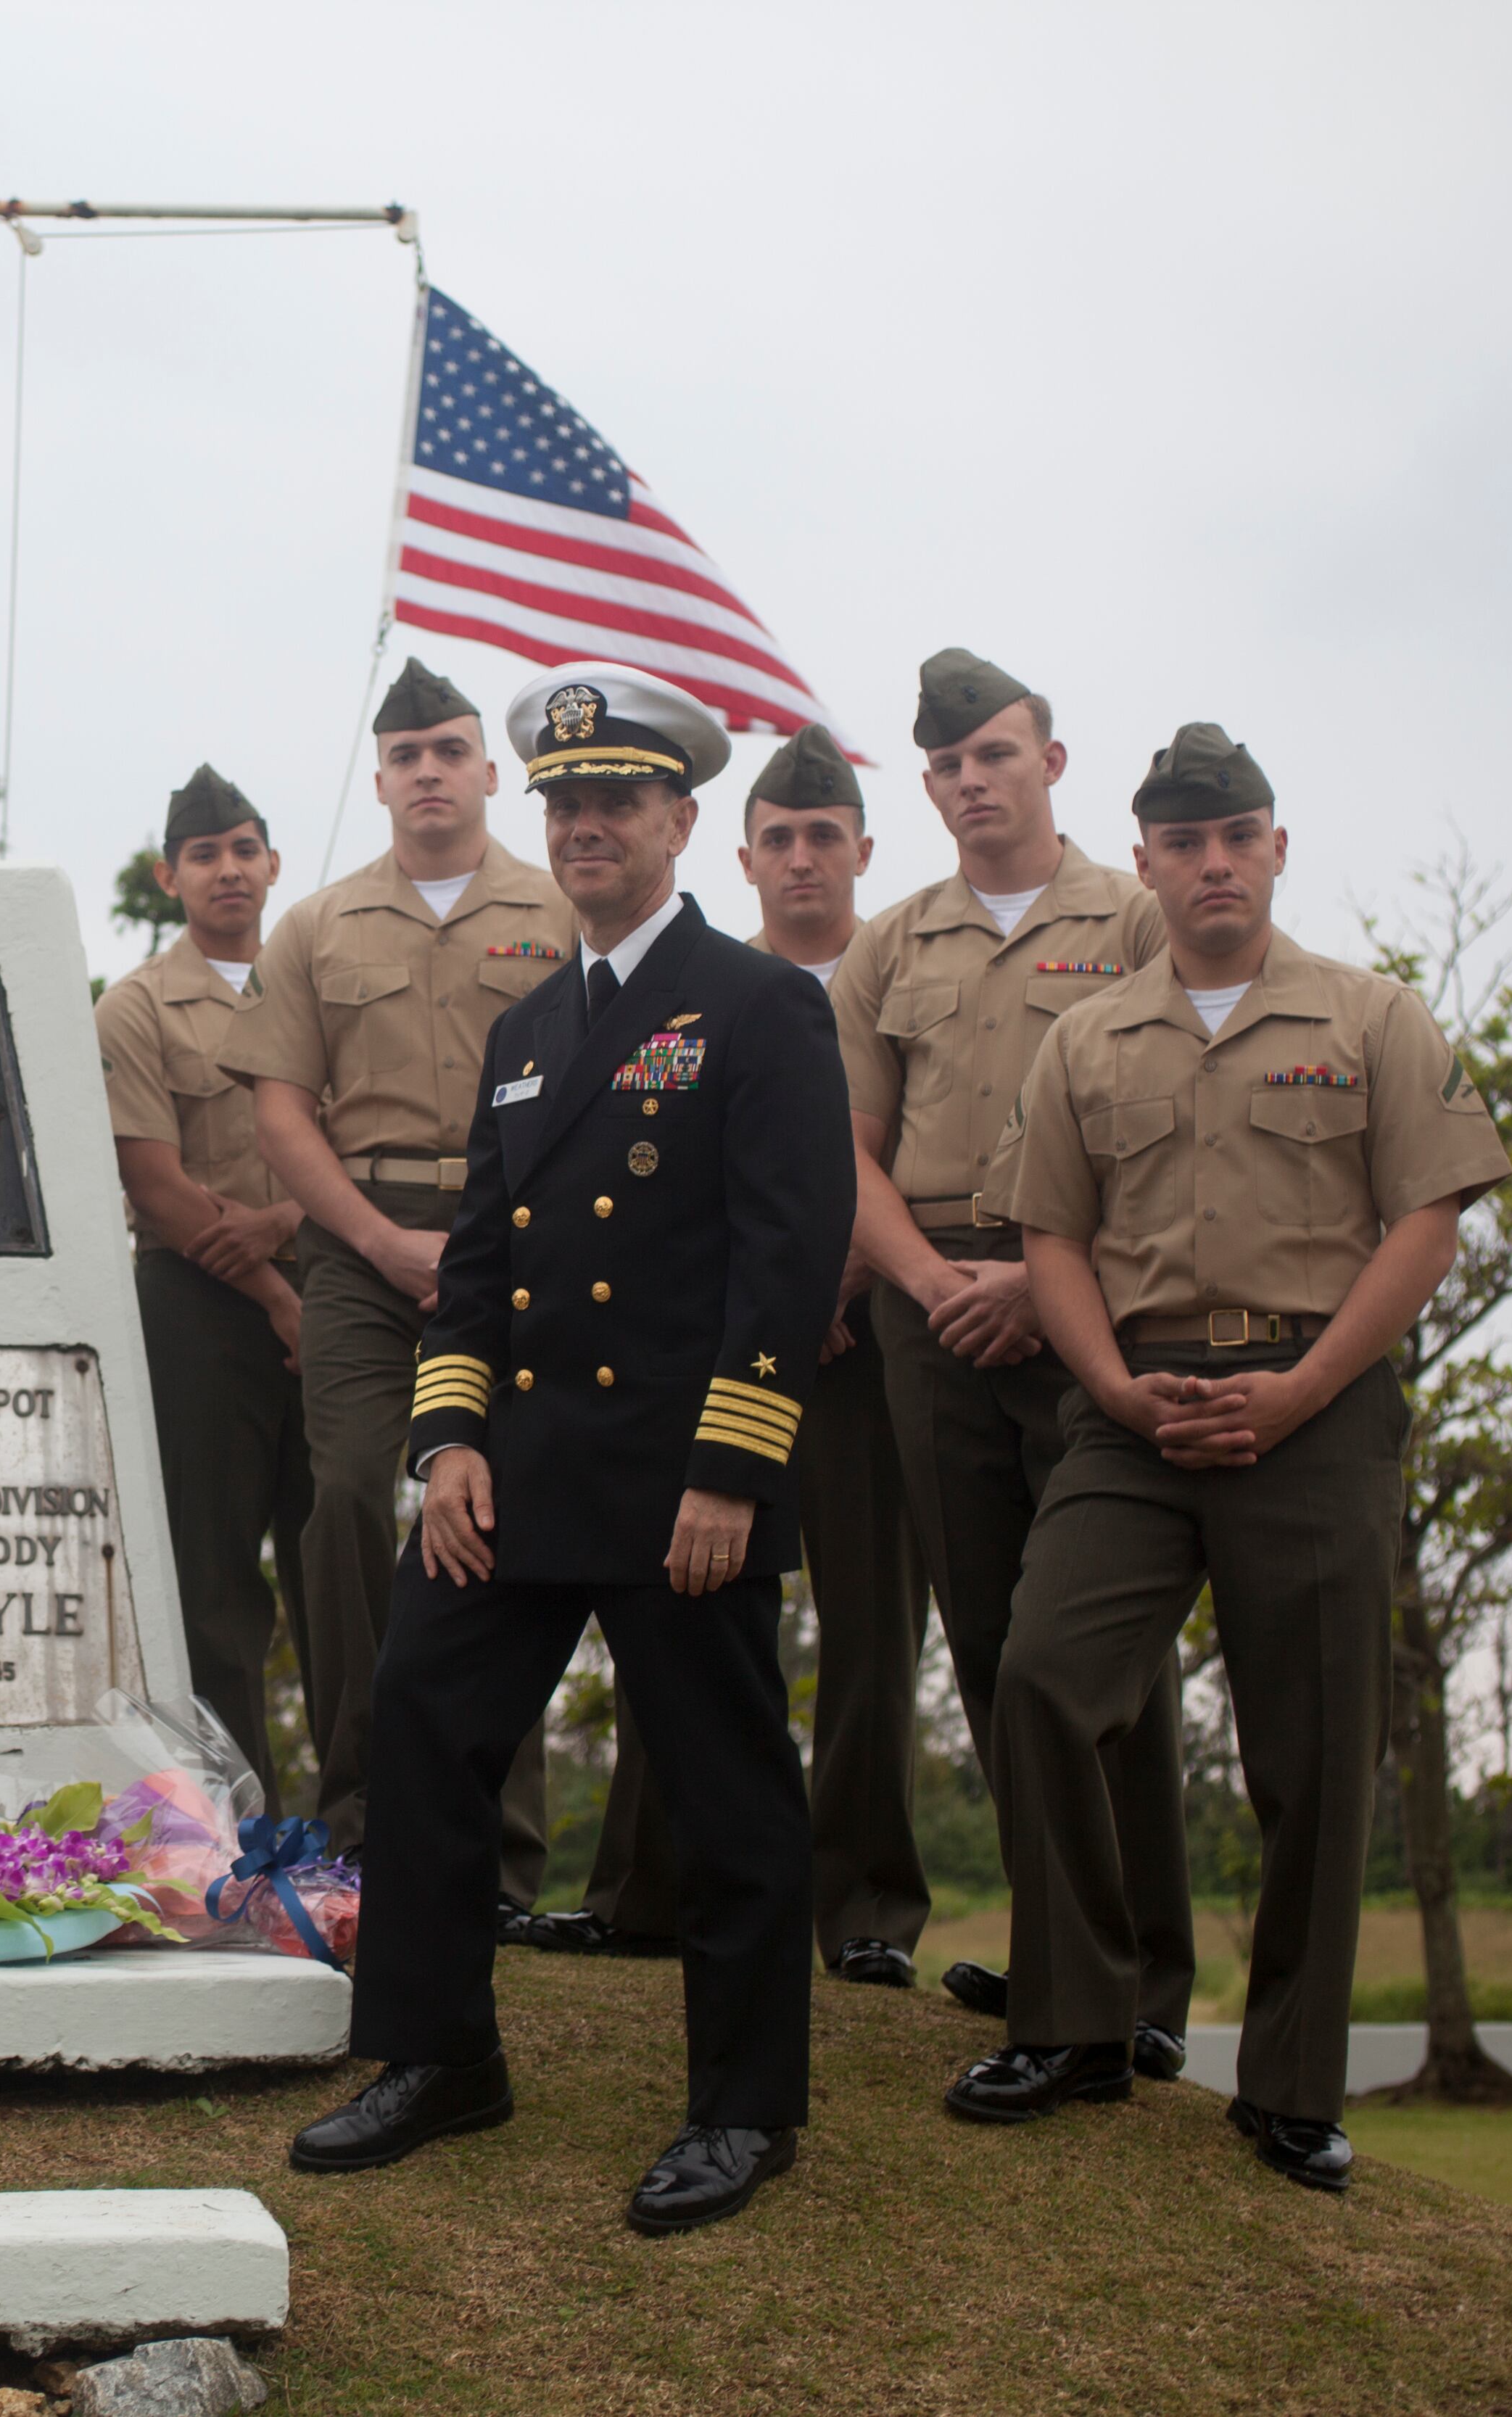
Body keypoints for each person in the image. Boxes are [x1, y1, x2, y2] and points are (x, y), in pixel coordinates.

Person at [289, 663, 851, 2240]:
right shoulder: (533, 1026)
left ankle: (744, 2110)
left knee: (722, 1787)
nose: (588, 822)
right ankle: (437, 2051)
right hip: (522, 1472)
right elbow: (477, 1258)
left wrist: (732, 1469)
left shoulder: (761, 1004)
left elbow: (789, 1253)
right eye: (567, 801)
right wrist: (448, 1435)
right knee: (418, 1711)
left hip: (682, 1482)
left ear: (682, 819)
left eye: (618, 798)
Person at [946, 725, 1505, 2189]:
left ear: (1273, 847)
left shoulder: (1371, 1016)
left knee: (1312, 1748)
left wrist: (1305, 1385)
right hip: (1134, 1413)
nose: (1211, 863)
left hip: (1315, 1409)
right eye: (1183, 842)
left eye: (1235, 835)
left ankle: (1291, 2085)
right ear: (1142, 861)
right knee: (1040, 1678)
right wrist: (1120, 1394)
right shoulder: (1088, 1039)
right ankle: (1075, 2022)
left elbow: (1427, 1218)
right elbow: (1050, 1239)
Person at [825, 649, 1196, 2058]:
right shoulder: (893, 944)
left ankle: (1146, 1982)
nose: (974, 780)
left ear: (1051, 759)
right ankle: (1063, 1963)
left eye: (997, 752)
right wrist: (921, 1277)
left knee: (1107, 1647)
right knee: (986, 1641)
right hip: (932, 1314)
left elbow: (1177, 1140)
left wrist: (1044, 1288)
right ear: (925, 784)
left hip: (1086, 1306)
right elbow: (847, 1149)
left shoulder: (1135, 920)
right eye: (950, 763)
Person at [569, 724, 933, 1983]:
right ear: (739, 850)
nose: (799, 859)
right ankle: (642, 1891)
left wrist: (835, 1277)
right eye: (776, 838)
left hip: (870, 1335)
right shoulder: (690, 981)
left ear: (863, 851)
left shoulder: (894, 979)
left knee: (873, 1628)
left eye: (823, 836)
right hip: (722, 1350)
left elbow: (888, 1160)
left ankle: (869, 1908)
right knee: (678, 1604)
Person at [218, 658, 563, 1928]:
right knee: (355, 1495)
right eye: (407, 753)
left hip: (523, 1236)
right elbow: (277, 1112)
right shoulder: (316, 926)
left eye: (450, 749)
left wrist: (484, 1239)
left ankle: (505, 1849)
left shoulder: (562, 912)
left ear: (487, 770)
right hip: (360, 1243)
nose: (428, 770)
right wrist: (371, 1239)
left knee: (518, 1515)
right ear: (381, 780)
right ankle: (363, 1815)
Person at [96, 765, 311, 1796]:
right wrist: (276, 1290)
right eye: (202, 855)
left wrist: (289, 1218)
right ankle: (237, 1823)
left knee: (342, 1570)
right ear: (167, 875)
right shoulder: (135, 1006)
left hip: (338, 1297)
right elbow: (156, 1181)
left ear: (273, 863)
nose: (227, 870)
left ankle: (369, 1825)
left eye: (242, 849)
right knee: (211, 1582)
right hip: (197, 1311)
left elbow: (361, 1138)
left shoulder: (321, 979)